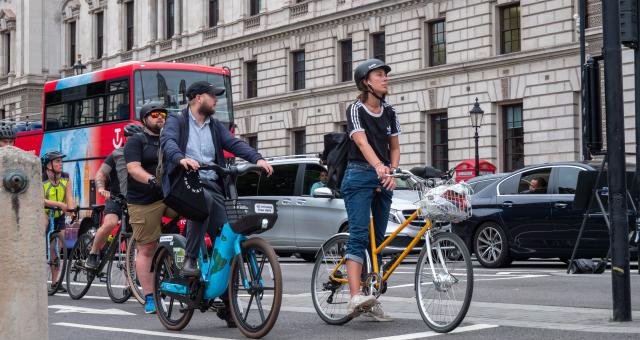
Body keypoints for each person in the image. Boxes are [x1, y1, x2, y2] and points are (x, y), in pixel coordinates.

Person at [160, 81, 273, 327]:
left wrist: (258, 158)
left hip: (213, 182)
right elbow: (168, 143)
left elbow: (234, 144)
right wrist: (181, 159)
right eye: (214, 96)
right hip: (186, 182)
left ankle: (228, 304)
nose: (217, 100)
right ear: (199, 98)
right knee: (203, 204)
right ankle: (190, 258)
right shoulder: (177, 121)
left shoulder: (215, 126)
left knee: (227, 238)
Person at [341, 59, 401, 322]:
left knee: (376, 241)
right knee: (359, 235)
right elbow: (362, 143)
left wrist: (392, 171)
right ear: (367, 82)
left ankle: (369, 296)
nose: (385, 79)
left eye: (385, 75)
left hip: (383, 176)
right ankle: (354, 296)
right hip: (359, 175)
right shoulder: (356, 109)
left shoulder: (390, 111)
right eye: (379, 75)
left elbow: (395, 148)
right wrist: (379, 166)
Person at [124, 102, 178, 314]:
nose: (160, 118)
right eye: (154, 114)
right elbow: (133, 168)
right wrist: (151, 180)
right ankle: (149, 296)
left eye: (163, 114)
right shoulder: (137, 141)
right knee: (146, 249)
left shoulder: (169, 140)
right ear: (144, 119)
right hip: (143, 200)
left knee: (197, 213)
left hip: (169, 196)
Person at [86, 123, 144, 270]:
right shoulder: (116, 154)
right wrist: (101, 189)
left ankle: (129, 283)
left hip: (134, 200)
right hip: (116, 198)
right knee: (110, 223)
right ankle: (93, 253)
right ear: (126, 139)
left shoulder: (142, 155)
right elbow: (101, 174)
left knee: (134, 239)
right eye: (132, 139)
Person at [42, 150, 76, 293]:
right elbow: (40, 199)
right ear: (48, 165)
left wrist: (72, 209)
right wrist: (60, 205)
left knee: (57, 249)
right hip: (43, 212)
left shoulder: (65, 177)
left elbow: (69, 197)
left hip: (59, 215)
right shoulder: (40, 178)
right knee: (41, 243)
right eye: (57, 161)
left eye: (61, 161)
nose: (60, 164)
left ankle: (55, 282)